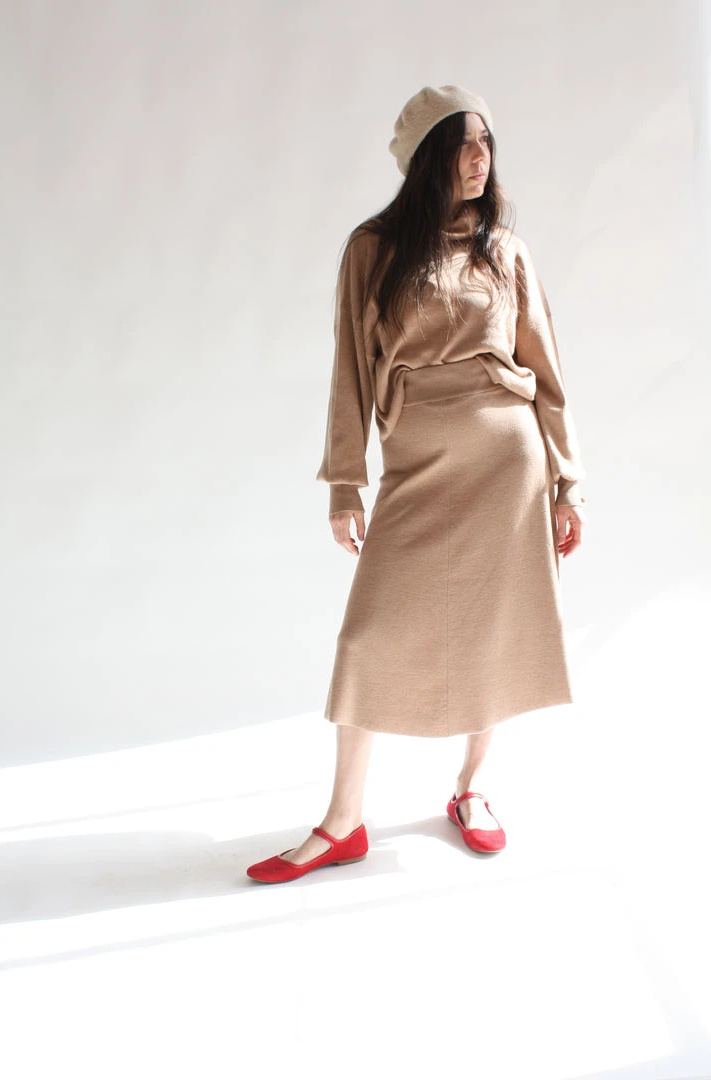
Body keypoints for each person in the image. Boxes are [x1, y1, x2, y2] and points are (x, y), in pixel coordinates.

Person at [247, 85, 587, 885]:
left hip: (509, 465)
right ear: (427, 157)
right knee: (367, 636)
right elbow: (349, 372)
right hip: (416, 465)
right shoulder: (373, 248)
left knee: (497, 626)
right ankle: (343, 822)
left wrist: (568, 483)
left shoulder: (505, 250)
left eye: (486, 142)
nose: (480, 158)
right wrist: (344, 482)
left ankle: (472, 788)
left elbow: (547, 374)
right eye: (463, 143)